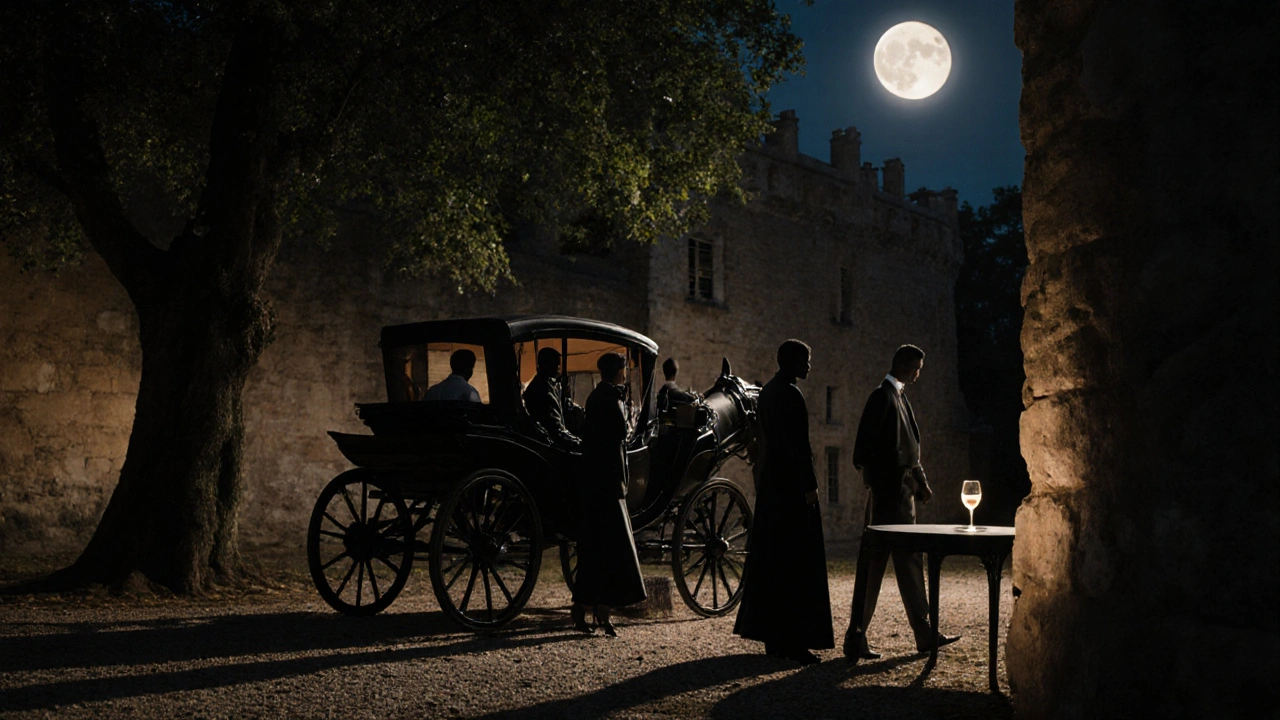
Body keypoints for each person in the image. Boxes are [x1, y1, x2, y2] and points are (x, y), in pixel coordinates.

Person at [843, 344, 960, 662]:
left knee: (909, 564)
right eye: (917, 367)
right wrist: (881, 489)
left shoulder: (900, 397)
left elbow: (910, 450)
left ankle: (924, 634)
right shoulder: (881, 397)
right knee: (875, 566)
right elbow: (863, 451)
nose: (919, 374)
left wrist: (920, 482)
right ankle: (857, 637)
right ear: (904, 365)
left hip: (903, 498)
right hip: (888, 500)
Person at [733, 339, 833, 665]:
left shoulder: (768, 393)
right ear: (792, 361)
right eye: (805, 360)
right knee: (796, 562)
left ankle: (773, 639)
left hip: (771, 488)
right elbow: (799, 446)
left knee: (773, 560)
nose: (809, 366)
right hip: (791, 490)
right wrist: (810, 486)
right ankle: (794, 640)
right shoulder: (791, 394)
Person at [570, 351, 646, 635]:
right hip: (608, 484)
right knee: (612, 548)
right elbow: (620, 436)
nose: (625, 374)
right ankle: (599, 609)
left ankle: (590, 608)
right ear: (618, 372)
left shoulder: (597, 397)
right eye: (623, 370)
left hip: (598, 482)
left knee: (597, 549)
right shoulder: (611, 400)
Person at [523, 347, 581, 450]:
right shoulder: (541, 389)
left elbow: (565, 408)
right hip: (548, 445)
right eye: (555, 364)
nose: (558, 367)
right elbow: (554, 427)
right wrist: (577, 442)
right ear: (545, 365)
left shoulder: (552, 385)